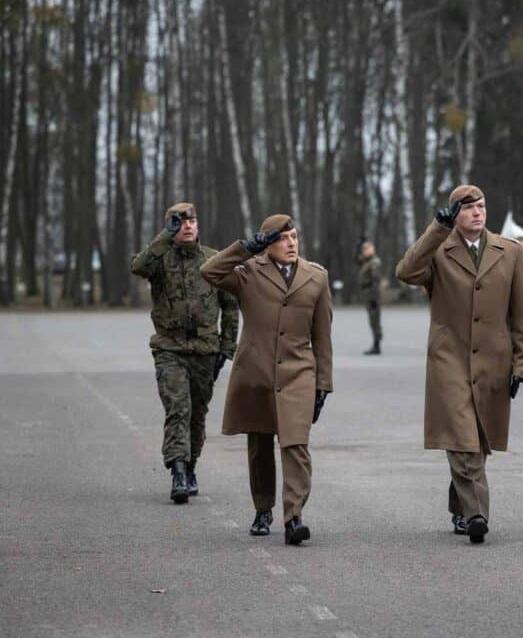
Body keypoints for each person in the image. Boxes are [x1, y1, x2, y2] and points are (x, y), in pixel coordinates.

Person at [395, 184, 523, 544]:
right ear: (455, 214)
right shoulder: (439, 250)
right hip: (449, 358)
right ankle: (476, 515)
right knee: (461, 438)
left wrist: (522, 363)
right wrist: (436, 229)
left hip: (493, 359)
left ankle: (460, 507)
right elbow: (406, 272)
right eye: (468, 208)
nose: (477, 212)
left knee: (479, 440)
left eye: (481, 206)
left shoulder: (510, 252)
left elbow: (521, 313)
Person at [200, 215, 333, 545]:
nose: (291, 243)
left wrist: (323, 384)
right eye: (282, 238)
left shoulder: (316, 277)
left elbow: (323, 336)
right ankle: (263, 509)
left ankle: (294, 517)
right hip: (256, 372)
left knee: (296, 444)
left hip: (299, 372)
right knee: (259, 445)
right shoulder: (247, 274)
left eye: (294, 236)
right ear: (267, 244)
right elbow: (210, 271)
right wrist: (244, 249)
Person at [130, 202, 239, 503]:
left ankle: (190, 467)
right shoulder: (159, 258)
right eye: (179, 222)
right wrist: (164, 237)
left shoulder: (214, 260)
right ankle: (177, 471)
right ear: (170, 228)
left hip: (206, 349)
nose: (187, 226)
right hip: (170, 348)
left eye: (191, 221)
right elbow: (137, 267)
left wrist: (227, 348)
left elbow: (231, 307)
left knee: (198, 414)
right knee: (178, 408)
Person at [357, 240, 384, 355]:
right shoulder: (367, 262)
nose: (364, 252)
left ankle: (376, 345)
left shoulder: (374, 262)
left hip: (373, 296)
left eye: (367, 249)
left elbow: (375, 280)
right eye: (363, 250)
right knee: (372, 320)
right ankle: (376, 344)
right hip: (368, 295)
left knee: (375, 320)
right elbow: (357, 260)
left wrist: (374, 298)